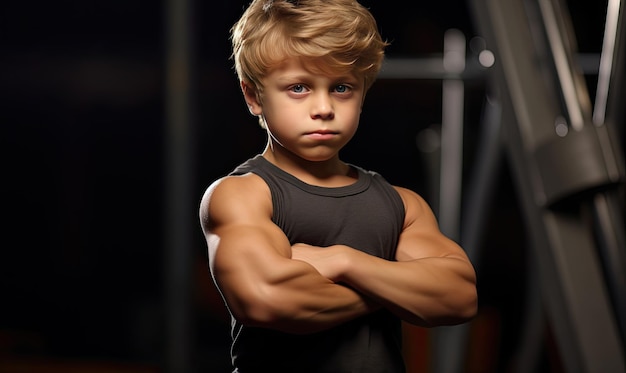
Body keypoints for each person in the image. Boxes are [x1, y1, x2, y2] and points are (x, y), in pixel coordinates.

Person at [199, 0, 477, 371]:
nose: (324, 108)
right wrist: (400, 287)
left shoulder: (401, 204)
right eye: (299, 87)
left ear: (363, 93)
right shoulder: (242, 195)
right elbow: (268, 299)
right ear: (253, 96)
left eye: (342, 88)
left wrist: (344, 262)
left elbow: (459, 297)